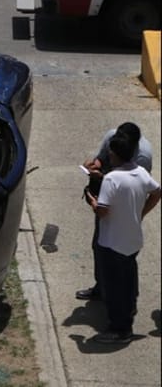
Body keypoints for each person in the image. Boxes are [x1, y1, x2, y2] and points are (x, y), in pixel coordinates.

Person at [85, 134, 161, 343]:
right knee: (128, 279)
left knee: (114, 286)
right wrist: (141, 213)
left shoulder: (111, 179)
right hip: (133, 240)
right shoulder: (141, 173)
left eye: (111, 153)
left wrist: (92, 201)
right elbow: (157, 192)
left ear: (116, 155)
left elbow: (102, 211)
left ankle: (120, 329)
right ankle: (129, 311)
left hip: (112, 242)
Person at [77, 122, 153, 301]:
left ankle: (126, 300)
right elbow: (100, 159)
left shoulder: (142, 157)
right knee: (100, 246)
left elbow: (136, 188)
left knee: (124, 256)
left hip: (126, 206)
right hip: (107, 195)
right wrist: (93, 166)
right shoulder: (113, 137)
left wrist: (140, 214)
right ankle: (102, 288)